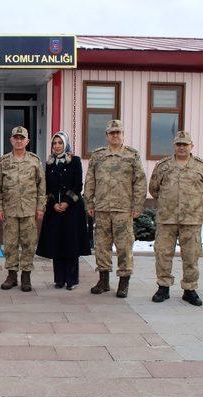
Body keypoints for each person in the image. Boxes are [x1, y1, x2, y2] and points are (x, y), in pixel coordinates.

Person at [149, 131, 203, 306]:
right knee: (163, 254)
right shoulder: (163, 165)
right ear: (174, 146)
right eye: (178, 144)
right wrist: (168, 202)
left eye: (185, 144)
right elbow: (154, 188)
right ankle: (163, 287)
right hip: (166, 219)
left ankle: (190, 289)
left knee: (191, 256)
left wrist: (191, 204)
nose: (181, 147)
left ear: (191, 146)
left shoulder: (202, 167)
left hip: (191, 220)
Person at [84, 119, 146, 298]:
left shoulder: (131, 156)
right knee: (102, 246)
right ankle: (103, 280)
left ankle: (123, 282)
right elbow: (90, 180)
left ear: (123, 135)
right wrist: (89, 202)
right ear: (107, 136)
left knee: (124, 246)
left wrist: (137, 206)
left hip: (123, 209)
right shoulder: (98, 156)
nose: (115, 135)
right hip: (102, 208)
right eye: (112, 133)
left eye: (118, 132)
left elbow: (140, 182)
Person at [36, 131, 91, 290]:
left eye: (60, 143)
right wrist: (53, 203)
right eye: (54, 143)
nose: (57, 146)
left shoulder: (74, 161)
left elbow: (77, 185)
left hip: (72, 209)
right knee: (57, 243)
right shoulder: (50, 162)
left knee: (71, 244)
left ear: (65, 144)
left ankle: (71, 280)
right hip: (55, 210)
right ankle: (59, 279)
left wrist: (66, 202)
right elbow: (48, 188)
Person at [0, 126, 46, 292]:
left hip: (29, 210)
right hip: (9, 210)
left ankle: (26, 276)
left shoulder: (34, 160)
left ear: (27, 141)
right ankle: (11, 275)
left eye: (21, 138)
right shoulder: (3, 161)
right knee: (9, 244)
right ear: (11, 140)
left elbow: (41, 186)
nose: (18, 140)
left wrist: (40, 207)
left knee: (29, 244)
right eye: (15, 138)